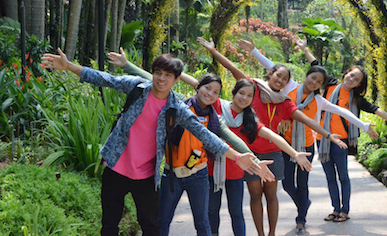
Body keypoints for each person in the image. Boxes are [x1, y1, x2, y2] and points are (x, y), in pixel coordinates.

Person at [41, 49, 263, 236]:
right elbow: (105, 79)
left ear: (176, 80)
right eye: (158, 72)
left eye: (168, 75)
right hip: (116, 167)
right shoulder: (138, 88)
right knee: (109, 224)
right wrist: (68, 66)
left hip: (146, 175)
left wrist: (238, 156)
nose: (161, 78)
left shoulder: (178, 108)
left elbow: (206, 135)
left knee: (152, 226)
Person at [107, 49, 274, 236]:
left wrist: (256, 162)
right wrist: (127, 65)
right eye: (207, 88)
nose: (210, 94)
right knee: (161, 221)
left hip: (198, 176)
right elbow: (155, 81)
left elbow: (233, 140)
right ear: (198, 87)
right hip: (172, 175)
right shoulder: (180, 104)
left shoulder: (215, 119)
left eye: (216, 92)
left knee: (202, 224)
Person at [197, 37, 348, 236]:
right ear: (271, 74)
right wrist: (214, 51)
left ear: (286, 83)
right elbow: (233, 69)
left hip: (274, 153)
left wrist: (328, 135)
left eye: (285, 79)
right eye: (278, 76)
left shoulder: (285, 103)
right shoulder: (254, 89)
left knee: (271, 195)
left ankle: (271, 234)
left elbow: (306, 120)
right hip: (250, 152)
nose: (280, 80)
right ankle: (260, 233)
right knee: (255, 195)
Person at [237, 37, 379, 234]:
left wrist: (362, 125)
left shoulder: (319, 100)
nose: (314, 82)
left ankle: (301, 219)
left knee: (302, 184)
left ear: (321, 85)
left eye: (319, 82)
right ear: (307, 76)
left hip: (307, 146)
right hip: (285, 144)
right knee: (286, 183)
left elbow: (343, 111)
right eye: (313, 78)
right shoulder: (290, 87)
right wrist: (253, 51)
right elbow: (273, 68)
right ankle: (304, 204)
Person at [297, 37, 387, 223]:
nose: (351, 79)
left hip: (341, 142)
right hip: (323, 138)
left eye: (356, 79)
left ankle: (345, 210)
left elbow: (377, 110)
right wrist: (305, 49)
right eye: (351, 75)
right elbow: (316, 65)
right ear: (346, 73)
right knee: (330, 177)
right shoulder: (330, 85)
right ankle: (335, 209)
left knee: (342, 176)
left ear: (359, 84)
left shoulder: (356, 99)